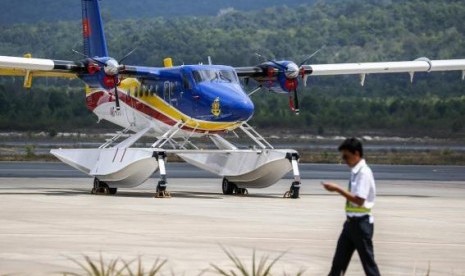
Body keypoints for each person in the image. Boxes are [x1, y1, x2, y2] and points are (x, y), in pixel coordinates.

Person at [322, 137, 381, 276]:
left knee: (369, 266)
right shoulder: (355, 172)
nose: (344, 160)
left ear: (356, 154)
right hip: (350, 224)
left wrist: (337, 189)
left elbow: (359, 200)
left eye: (346, 156)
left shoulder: (364, 173)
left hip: (361, 225)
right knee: (337, 265)